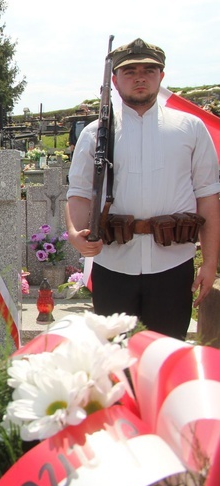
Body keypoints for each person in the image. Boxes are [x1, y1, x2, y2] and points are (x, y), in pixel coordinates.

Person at [66, 38, 220, 340]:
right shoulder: (95, 133)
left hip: (173, 265)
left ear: (161, 76)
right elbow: (80, 192)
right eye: (130, 71)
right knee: (114, 358)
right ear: (115, 79)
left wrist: (211, 263)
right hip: (114, 264)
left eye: (149, 70)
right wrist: (74, 234)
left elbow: (208, 197)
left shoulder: (190, 128)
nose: (140, 77)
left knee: (165, 353)